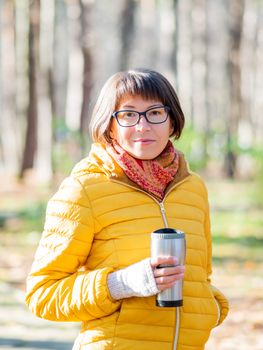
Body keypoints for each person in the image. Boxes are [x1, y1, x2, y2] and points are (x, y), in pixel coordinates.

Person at [25, 68, 229, 350]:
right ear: (109, 125)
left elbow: (201, 275)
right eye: (128, 114)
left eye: (155, 112)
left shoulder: (193, 188)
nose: (143, 126)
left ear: (172, 122)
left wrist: (210, 307)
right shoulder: (83, 189)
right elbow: (42, 295)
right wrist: (122, 283)